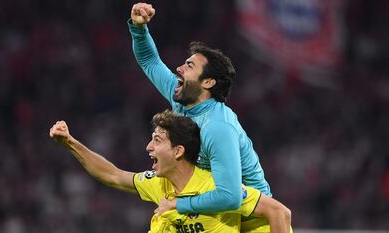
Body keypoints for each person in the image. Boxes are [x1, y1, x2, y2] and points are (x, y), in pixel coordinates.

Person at [128, 2, 272, 219]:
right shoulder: (182, 99)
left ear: (208, 83)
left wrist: (179, 204)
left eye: (189, 66)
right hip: (221, 215)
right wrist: (139, 29)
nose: (179, 68)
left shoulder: (217, 126)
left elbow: (230, 196)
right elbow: (150, 61)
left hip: (254, 222)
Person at [49, 110, 291, 233]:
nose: (148, 146)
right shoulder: (158, 183)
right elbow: (112, 175)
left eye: (157, 140)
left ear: (178, 151)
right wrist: (70, 143)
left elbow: (279, 212)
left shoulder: (217, 188)